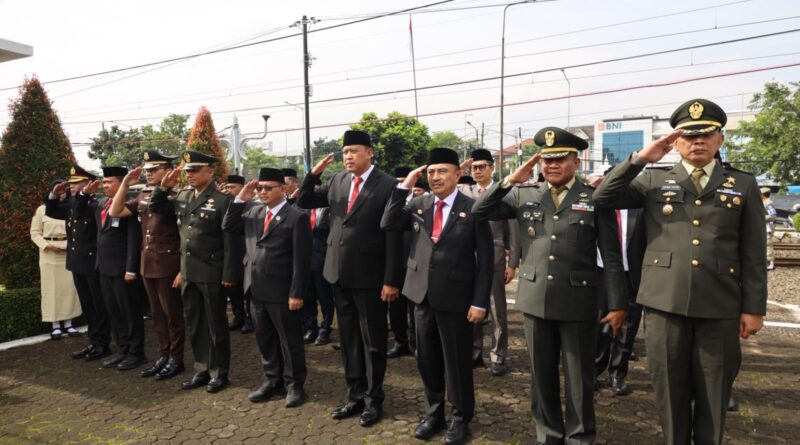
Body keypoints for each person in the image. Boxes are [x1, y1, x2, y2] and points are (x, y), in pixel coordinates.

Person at [592, 99, 767, 445]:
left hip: (720, 305)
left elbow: (753, 252)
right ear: (676, 142)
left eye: (706, 134)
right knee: (670, 393)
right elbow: (602, 196)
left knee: (714, 393)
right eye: (688, 135)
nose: (698, 141)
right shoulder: (653, 179)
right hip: (664, 304)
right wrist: (641, 159)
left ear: (720, 139)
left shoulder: (742, 184)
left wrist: (754, 307)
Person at [472, 127, 626, 445]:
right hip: (535, 299)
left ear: (576, 161)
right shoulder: (524, 194)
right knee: (542, 377)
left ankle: (580, 437)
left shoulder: (595, 197)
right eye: (547, 160)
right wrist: (510, 180)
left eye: (560, 159)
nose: (552, 165)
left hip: (578, 301)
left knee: (579, 380)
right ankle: (549, 436)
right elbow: (479, 210)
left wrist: (617, 304)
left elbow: (611, 256)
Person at [382, 148, 493, 445]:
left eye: (442, 171)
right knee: (427, 360)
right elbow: (389, 223)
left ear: (458, 174)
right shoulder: (418, 204)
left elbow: (485, 260)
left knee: (457, 362)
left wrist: (480, 301)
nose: (435, 177)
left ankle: (460, 417)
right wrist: (405, 186)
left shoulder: (474, 208)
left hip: (456, 297)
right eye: (431, 172)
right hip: (421, 296)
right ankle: (434, 414)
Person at [297, 130, 404, 427]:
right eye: (345, 152)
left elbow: (394, 236)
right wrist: (313, 175)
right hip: (338, 272)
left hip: (370, 276)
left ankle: (374, 399)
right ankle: (354, 395)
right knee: (348, 341)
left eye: (354, 150)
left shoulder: (388, 184)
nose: (348, 156)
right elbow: (304, 200)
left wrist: (391, 279)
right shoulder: (337, 181)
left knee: (373, 342)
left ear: (370, 152)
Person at [149, 150, 237, 393]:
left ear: (210, 171)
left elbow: (230, 241)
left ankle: (219, 372)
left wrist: (229, 274)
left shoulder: (222, 200)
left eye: (195, 170)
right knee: (196, 323)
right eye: (187, 171)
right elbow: (157, 207)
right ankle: (201, 368)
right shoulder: (183, 196)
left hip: (211, 271)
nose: (189, 175)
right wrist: (163, 188)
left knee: (216, 325)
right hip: (188, 271)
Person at [223, 167, 312, 408]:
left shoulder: (296, 217)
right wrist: (240, 198)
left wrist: (297, 292)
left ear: (282, 189)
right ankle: (273, 381)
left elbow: (301, 260)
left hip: (282, 290)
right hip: (256, 288)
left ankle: (295, 385)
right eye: (260, 188)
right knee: (265, 339)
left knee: (290, 341)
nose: (262, 192)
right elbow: (228, 226)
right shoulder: (253, 212)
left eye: (268, 188)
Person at [108, 150, 186, 380]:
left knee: (172, 315)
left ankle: (176, 358)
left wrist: (182, 269)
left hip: (169, 263)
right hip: (148, 263)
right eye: (148, 170)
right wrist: (125, 185)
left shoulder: (178, 196)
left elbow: (185, 235)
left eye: (154, 169)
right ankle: (164, 354)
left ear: (168, 171)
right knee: (157, 315)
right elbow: (115, 211)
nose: (149, 173)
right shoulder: (144, 194)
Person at [75, 167, 145, 371]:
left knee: (129, 313)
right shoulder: (102, 203)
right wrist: (84, 194)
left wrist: (131, 269)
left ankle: (136, 352)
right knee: (113, 311)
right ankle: (123, 349)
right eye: (104, 182)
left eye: (109, 182)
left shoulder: (129, 204)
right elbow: (78, 213)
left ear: (122, 183)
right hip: (104, 268)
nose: (105, 186)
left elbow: (134, 238)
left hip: (123, 269)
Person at [458, 149, 520, 376]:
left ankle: (498, 356)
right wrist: (460, 170)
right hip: (468, 259)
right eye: (474, 167)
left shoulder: (503, 192)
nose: (477, 171)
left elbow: (514, 231)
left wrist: (512, 264)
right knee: (472, 307)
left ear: (492, 168)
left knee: (497, 310)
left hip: (495, 258)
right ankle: (474, 353)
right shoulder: (464, 191)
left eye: (482, 166)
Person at [595, 206, 646, 396]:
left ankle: (617, 373)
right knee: (600, 325)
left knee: (628, 328)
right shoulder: (598, 207)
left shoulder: (640, 209)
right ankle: (594, 369)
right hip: (601, 273)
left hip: (632, 275)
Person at [31, 179, 82, 340]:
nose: (61, 193)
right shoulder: (42, 209)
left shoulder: (72, 208)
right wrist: (47, 246)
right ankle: (55, 325)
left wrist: (70, 245)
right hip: (49, 254)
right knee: (51, 289)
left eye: (64, 190)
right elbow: (35, 232)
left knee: (70, 289)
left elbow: (78, 230)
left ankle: (69, 323)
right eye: (58, 190)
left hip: (69, 251)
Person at [386, 166, 415, 359]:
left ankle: (416, 342)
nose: (402, 184)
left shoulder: (420, 202)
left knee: (415, 308)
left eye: (405, 180)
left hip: (415, 264)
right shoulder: (390, 204)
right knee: (395, 308)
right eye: (398, 181)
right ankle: (400, 341)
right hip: (394, 264)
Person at [221, 174, 253, 334]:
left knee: (247, 290)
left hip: (247, 252)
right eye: (227, 187)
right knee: (233, 289)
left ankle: (249, 319)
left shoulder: (251, 205)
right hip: (231, 253)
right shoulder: (226, 204)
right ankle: (238, 317)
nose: (229, 190)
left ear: (242, 187)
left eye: (232, 187)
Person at [302, 199, 335, 346]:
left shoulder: (329, 208)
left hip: (323, 260)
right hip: (305, 261)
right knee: (308, 297)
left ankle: (325, 329)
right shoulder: (303, 207)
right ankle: (311, 328)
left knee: (325, 298)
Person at [762, 187, 777, 270]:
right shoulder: (764, 202)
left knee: (768, 244)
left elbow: (773, 216)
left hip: (768, 227)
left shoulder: (768, 203)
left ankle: (770, 263)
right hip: (764, 226)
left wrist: (761, 217)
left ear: (763, 194)